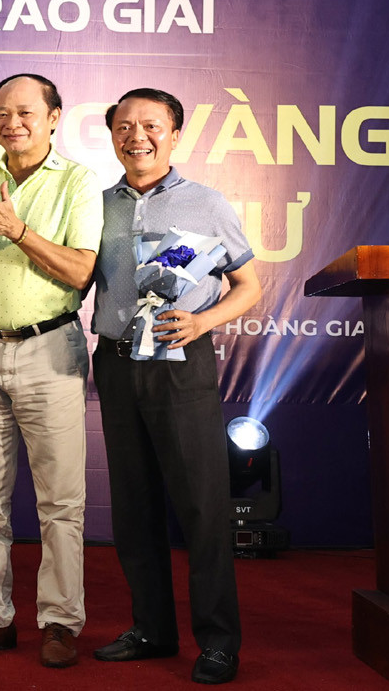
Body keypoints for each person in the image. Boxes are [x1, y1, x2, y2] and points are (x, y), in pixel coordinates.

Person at [90, 88, 259, 686]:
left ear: (175, 134)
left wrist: (202, 322)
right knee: (133, 507)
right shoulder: (96, 204)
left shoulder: (206, 203)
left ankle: (218, 642)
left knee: (202, 508)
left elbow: (248, 285)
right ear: (112, 134)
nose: (136, 136)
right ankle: (152, 630)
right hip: (116, 363)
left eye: (151, 125)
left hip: (181, 362)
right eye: (124, 126)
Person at [0, 73, 102, 669]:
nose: (12, 123)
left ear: (54, 117)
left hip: (50, 348)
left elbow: (80, 272)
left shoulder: (78, 181)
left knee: (61, 500)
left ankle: (59, 622)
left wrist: (19, 231)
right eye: (2, 113)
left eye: (26, 112)